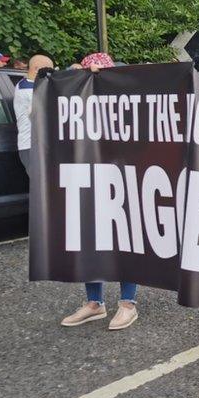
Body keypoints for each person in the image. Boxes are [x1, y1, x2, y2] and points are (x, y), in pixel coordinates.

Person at [60, 53, 140, 330]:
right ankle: (94, 302)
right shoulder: (78, 99)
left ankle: (128, 303)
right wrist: (66, 77)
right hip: (89, 177)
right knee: (89, 239)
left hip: (122, 178)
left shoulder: (127, 100)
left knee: (125, 239)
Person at [13, 54, 53, 175]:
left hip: (35, 144)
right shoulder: (27, 90)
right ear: (36, 69)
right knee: (41, 184)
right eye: (48, 70)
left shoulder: (26, 84)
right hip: (32, 145)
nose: (50, 74)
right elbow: (39, 115)